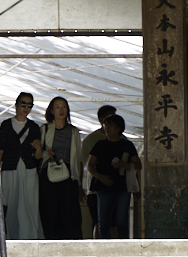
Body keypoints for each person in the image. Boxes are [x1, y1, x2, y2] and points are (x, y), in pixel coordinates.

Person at [86, 114, 141, 239]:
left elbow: (138, 165)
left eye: (110, 125)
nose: (107, 128)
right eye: (106, 125)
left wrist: (123, 164)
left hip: (122, 187)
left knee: (121, 222)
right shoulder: (100, 144)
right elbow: (90, 165)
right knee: (103, 222)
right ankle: (105, 246)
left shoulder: (127, 145)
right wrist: (100, 177)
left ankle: (124, 245)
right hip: (103, 188)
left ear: (118, 128)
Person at [0, 92, 43, 239]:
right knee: (10, 204)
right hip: (9, 168)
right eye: (23, 104)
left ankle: (31, 236)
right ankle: (11, 237)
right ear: (16, 105)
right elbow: (0, 150)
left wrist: (38, 147)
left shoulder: (34, 127)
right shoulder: (5, 125)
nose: (26, 108)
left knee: (30, 203)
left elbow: (38, 156)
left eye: (29, 105)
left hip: (29, 169)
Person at [38, 95, 84, 240]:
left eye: (64, 107)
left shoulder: (74, 131)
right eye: (57, 107)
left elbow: (78, 158)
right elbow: (37, 154)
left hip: (68, 176)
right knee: (50, 212)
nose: (61, 110)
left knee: (70, 214)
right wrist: (46, 153)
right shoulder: (45, 129)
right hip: (49, 175)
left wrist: (79, 183)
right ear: (52, 111)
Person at [80, 104, 116, 237]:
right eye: (109, 118)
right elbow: (82, 163)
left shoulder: (122, 140)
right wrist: (79, 186)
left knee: (114, 224)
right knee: (98, 222)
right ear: (101, 120)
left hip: (115, 188)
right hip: (95, 189)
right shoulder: (91, 140)